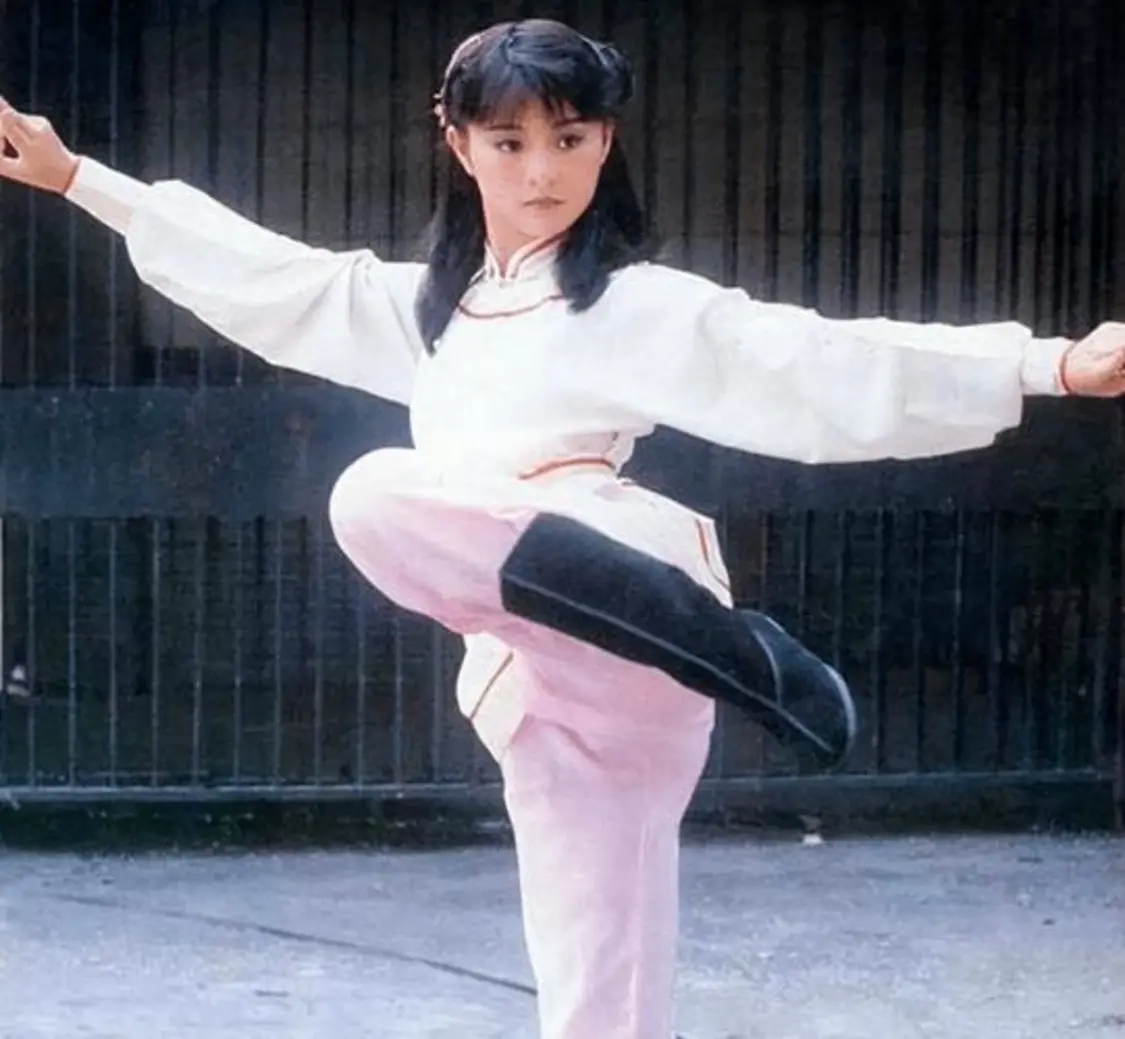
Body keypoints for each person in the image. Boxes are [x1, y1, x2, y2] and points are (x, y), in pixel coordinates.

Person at [3, 17, 1124, 1039]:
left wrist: (1048, 365)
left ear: (605, 142)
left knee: (374, 491)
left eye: (570, 140)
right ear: (458, 144)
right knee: (597, 969)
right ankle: (686, 636)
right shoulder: (431, 311)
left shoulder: (633, 304)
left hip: (629, 609)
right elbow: (272, 280)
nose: (541, 172)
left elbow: (817, 358)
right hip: (536, 674)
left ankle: (693, 631)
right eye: (509, 143)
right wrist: (77, 178)